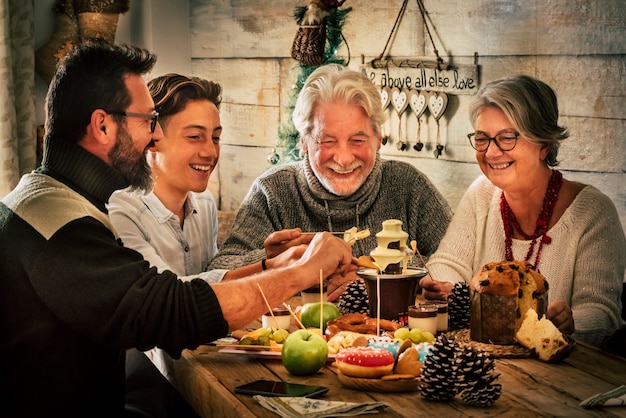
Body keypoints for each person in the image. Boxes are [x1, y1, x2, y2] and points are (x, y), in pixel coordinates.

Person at [0, 41, 356, 417]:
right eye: (147, 121)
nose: (154, 137)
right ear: (103, 125)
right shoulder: (61, 226)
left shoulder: (51, 200)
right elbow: (169, 311)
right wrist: (302, 272)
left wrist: (277, 266)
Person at [107, 73, 313, 417]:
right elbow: (171, 299)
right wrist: (273, 269)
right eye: (195, 137)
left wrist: (266, 257)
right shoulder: (120, 212)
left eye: (215, 137)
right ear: (152, 140)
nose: (210, 151)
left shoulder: (203, 206)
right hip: (145, 395)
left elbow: (209, 282)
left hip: (203, 374)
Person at [209, 64, 453, 309]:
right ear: (304, 142)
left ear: (378, 140)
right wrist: (279, 260)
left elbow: (456, 261)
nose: (344, 159)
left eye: (358, 140)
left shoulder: (407, 185)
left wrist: (374, 278)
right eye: (327, 140)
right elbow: (217, 273)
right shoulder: (273, 191)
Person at [420, 74, 625, 347]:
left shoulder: (593, 213)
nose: (491, 153)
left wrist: (570, 322)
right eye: (482, 139)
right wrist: (443, 288)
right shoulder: (481, 193)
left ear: (544, 144)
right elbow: (448, 263)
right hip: (485, 358)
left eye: (507, 138)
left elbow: (603, 314)